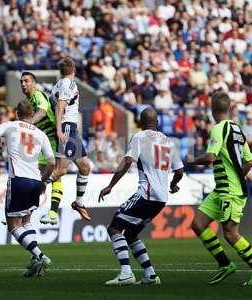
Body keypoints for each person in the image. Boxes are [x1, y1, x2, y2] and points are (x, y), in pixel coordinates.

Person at [99, 107, 184, 286]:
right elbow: (180, 170)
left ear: (141, 122)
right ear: (157, 123)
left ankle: (126, 273)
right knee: (130, 234)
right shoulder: (169, 141)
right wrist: (173, 184)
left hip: (147, 193)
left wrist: (111, 185)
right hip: (161, 198)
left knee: (114, 228)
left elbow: (128, 161)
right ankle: (150, 275)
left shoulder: (139, 137)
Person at [0, 101, 55, 277]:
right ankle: (36, 263)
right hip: (35, 181)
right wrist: (44, 180)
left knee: (13, 225)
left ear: (17, 113)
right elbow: (52, 162)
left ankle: (40, 256)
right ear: (32, 113)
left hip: (18, 179)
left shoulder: (11, 126)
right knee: (26, 222)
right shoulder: (41, 134)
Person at [188, 92, 252, 286]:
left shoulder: (218, 128)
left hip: (230, 191)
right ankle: (225, 264)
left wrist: (190, 161)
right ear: (230, 108)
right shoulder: (237, 129)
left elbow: (210, 157)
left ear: (212, 109)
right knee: (198, 224)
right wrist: (240, 174)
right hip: (221, 190)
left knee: (231, 233)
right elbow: (249, 160)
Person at [48, 57, 92, 221]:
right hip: (67, 128)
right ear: (74, 71)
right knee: (60, 170)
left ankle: (79, 203)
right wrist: (60, 129)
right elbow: (60, 107)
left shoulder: (56, 86)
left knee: (85, 167)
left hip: (71, 129)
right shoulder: (69, 84)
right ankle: (30, 194)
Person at [20, 71, 63, 225]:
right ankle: (28, 213)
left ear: (34, 83)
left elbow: (43, 111)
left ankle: (48, 212)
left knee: (51, 174)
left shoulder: (39, 96)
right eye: (21, 82)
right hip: (42, 141)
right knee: (40, 176)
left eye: (26, 81)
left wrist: (28, 124)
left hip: (53, 138)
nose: (23, 84)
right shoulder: (28, 100)